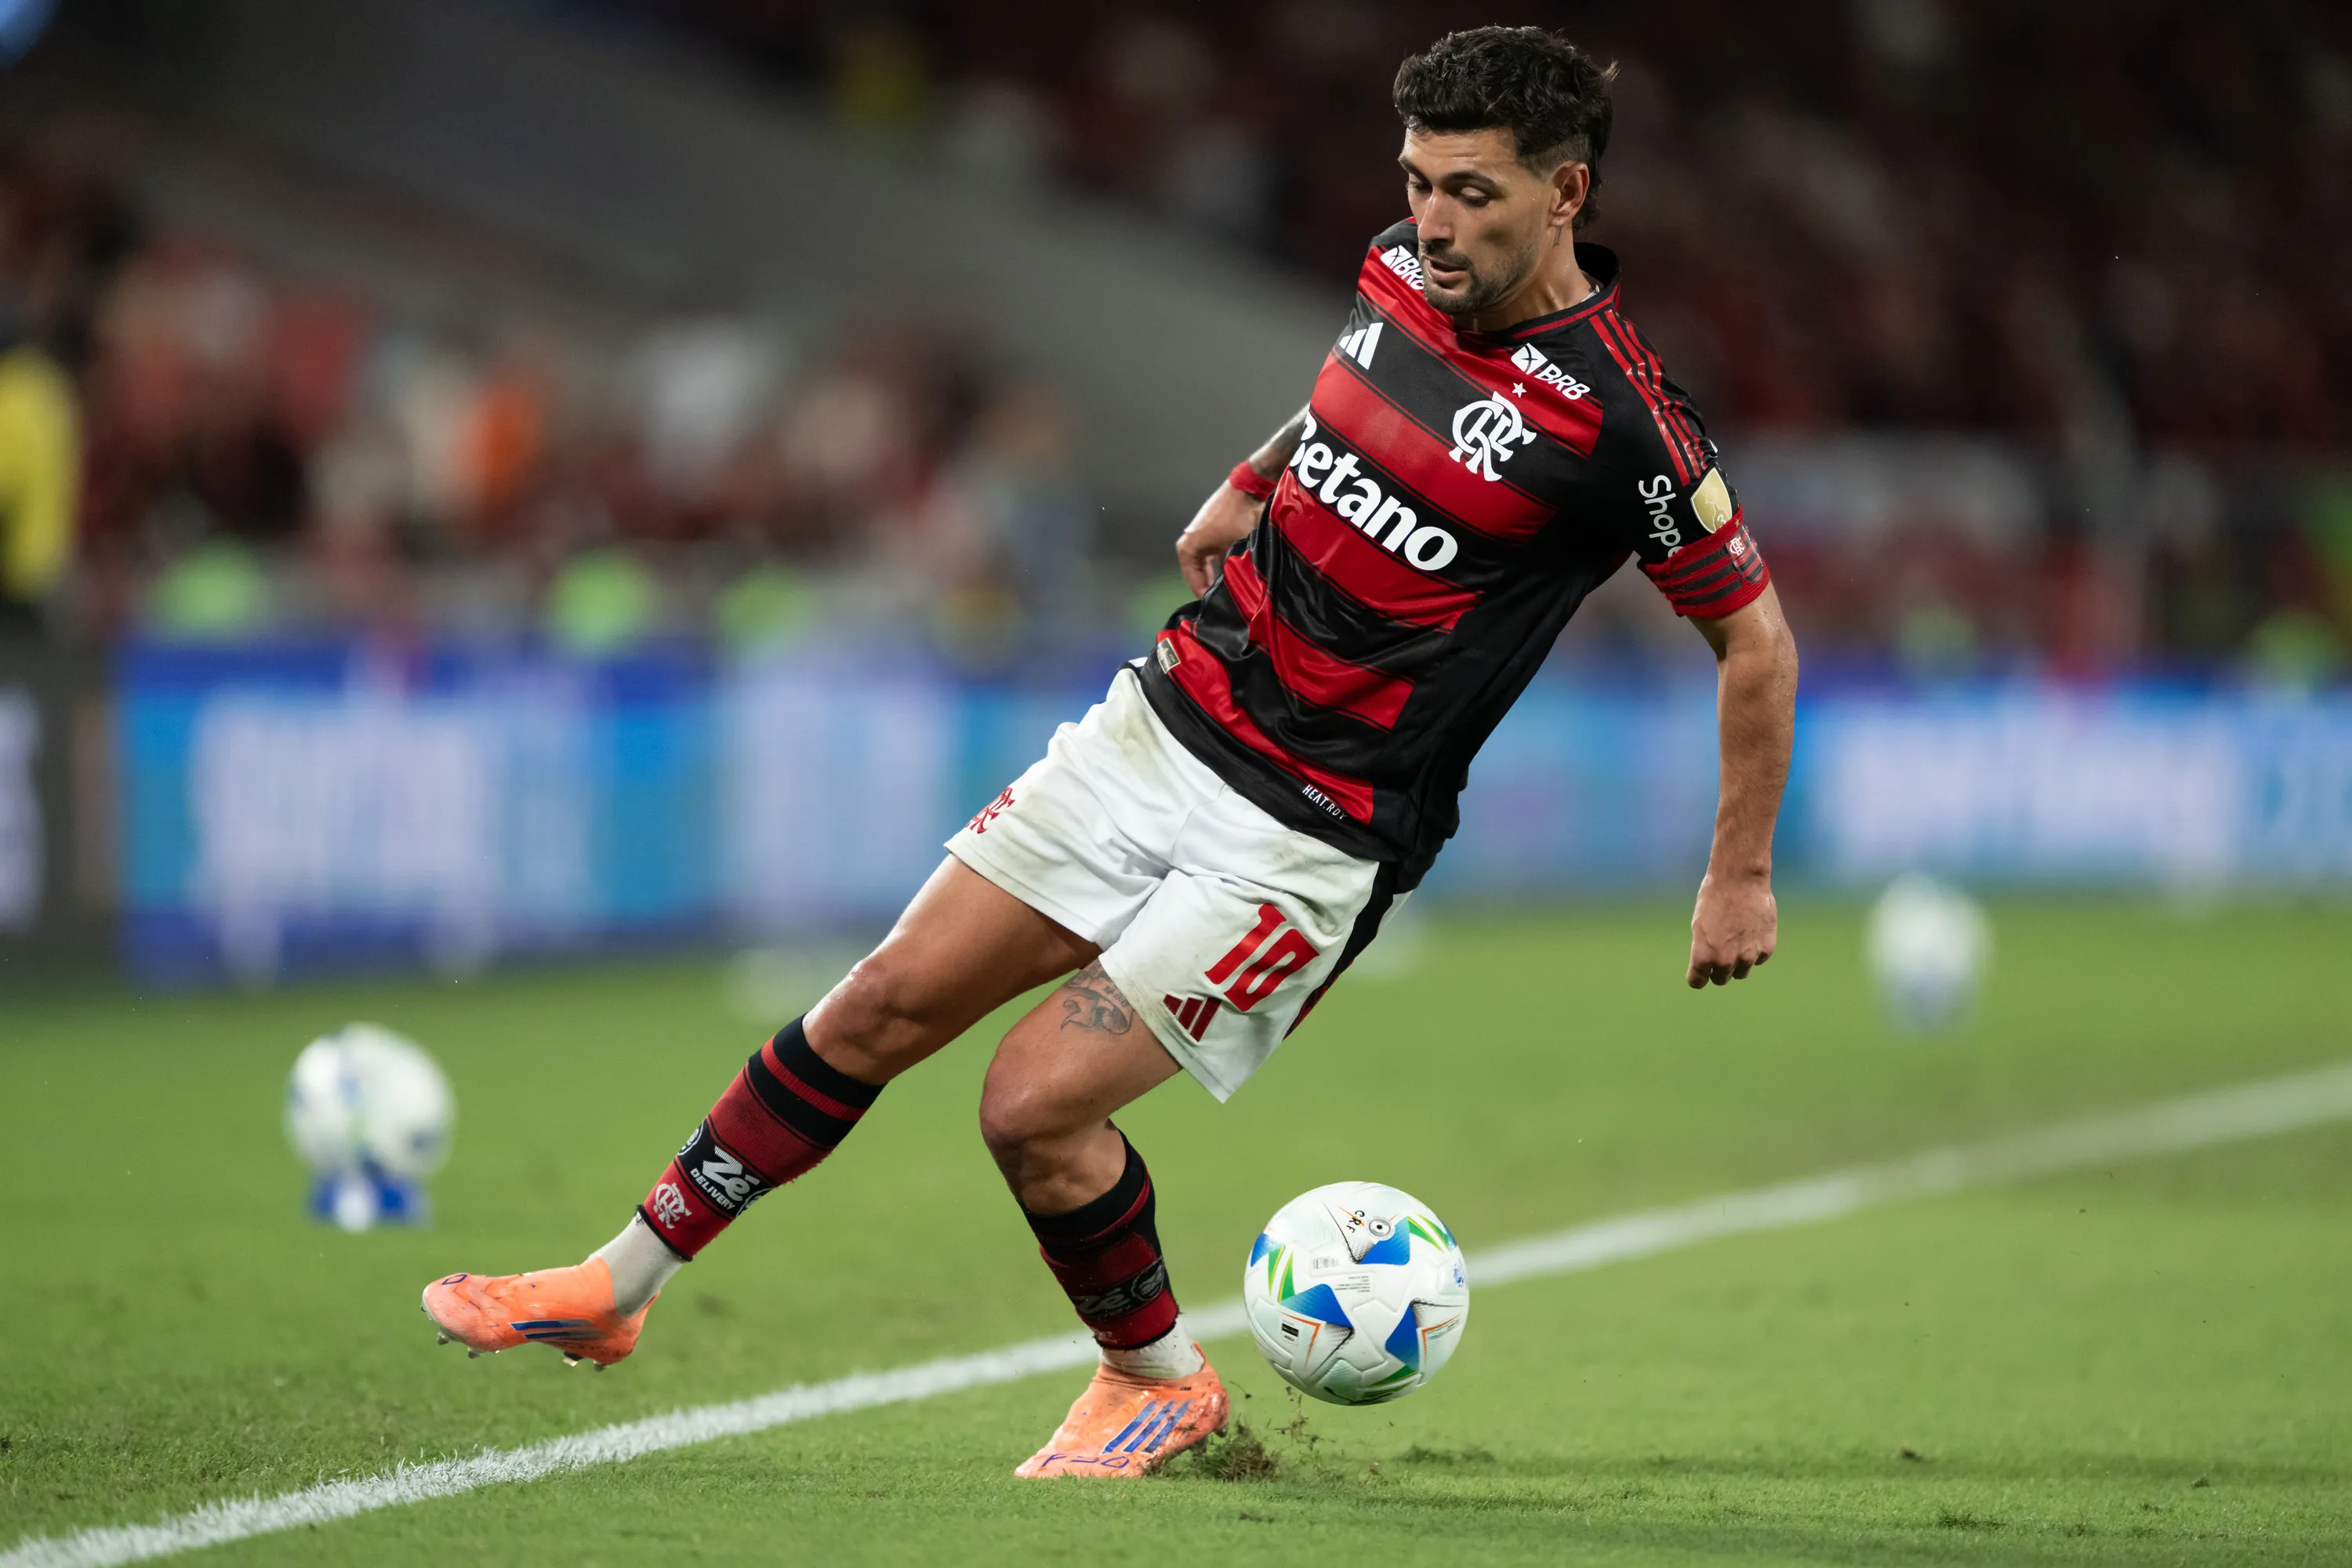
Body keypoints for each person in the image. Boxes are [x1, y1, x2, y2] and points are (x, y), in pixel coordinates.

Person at [423, 26, 1798, 1479]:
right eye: (1418, 183)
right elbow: (1356, 381)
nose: (1435, 222)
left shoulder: (1625, 419)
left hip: (1311, 833)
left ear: (1567, 191)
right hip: (1165, 719)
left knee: (1029, 1110)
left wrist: (1739, 870)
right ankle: (615, 1287)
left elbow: (1755, 642)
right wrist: (1253, 479)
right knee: (882, 1003)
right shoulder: (1400, 268)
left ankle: (1153, 1378)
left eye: (1472, 192)